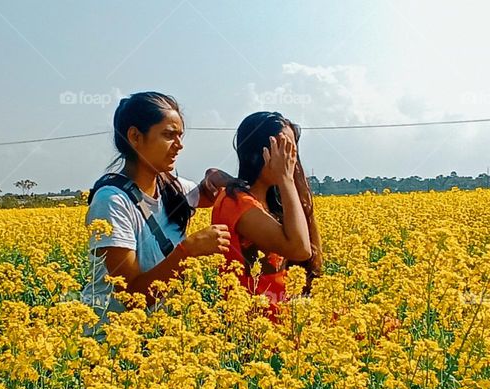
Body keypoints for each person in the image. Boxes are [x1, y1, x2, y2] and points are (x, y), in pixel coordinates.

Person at [82, 91, 232, 332]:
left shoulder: (169, 186)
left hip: (160, 341)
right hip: (115, 347)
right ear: (135, 137)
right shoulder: (111, 202)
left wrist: (213, 176)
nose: (179, 145)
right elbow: (131, 296)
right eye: (168, 135)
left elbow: (206, 193)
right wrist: (187, 252)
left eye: (180, 136)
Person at [211, 111, 323, 321]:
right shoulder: (236, 202)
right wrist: (286, 179)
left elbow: (312, 254)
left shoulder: (271, 200)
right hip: (257, 325)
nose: (291, 157)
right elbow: (300, 249)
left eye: (293, 150)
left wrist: (295, 183)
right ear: (258, 152)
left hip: (286, 314)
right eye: (283, 147)